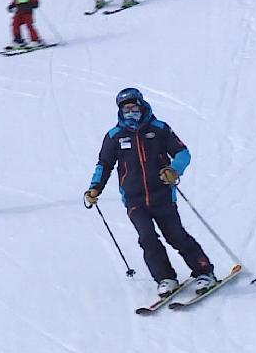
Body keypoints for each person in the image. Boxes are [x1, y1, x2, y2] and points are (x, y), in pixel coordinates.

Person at [83, 88, 217, 296]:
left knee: (176, 235)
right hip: (134, 199)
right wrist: (94, 188)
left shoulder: (159, 129)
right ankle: (165, 278)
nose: (130, 112)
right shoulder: (114, 136)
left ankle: (204, 272)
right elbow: (104, 164)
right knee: (147, 238)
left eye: (133, 107)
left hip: (162, 195)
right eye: (125, 109)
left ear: (141, 105)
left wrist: (174, 170)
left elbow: (183, 153)